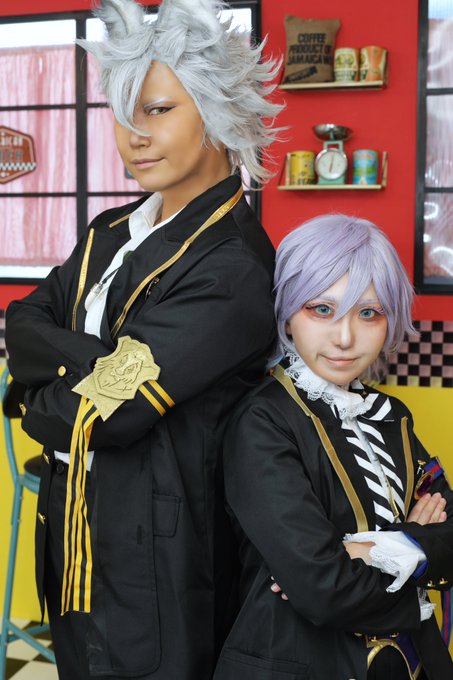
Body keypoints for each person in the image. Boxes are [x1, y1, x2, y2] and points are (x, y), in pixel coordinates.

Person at [5, 1, 283, 678]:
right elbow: (23, 319)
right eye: (124, 113)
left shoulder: (230, 267)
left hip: (159, 551)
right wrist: (92, 364)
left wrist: (34, 395)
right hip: (72, 524)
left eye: (157, 110)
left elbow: (107, 410)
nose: (134, 135)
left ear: (216, 112)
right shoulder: (109, 231)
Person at [214, 214, 453, 680]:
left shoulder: (392, 414)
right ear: (287, 312)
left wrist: (377, 547)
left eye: (369, 313)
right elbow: (322, 588)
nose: (345, 338)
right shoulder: (262, 421)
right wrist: (420, 562)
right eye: (321, 309)